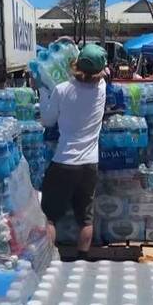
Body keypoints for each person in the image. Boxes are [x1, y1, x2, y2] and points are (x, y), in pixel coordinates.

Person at [40, 44, 108, 260]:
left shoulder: (62, 89)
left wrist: (43, 91)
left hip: (64, 161)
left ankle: (48, 258)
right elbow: (103, 74)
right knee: (85, 219)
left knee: (49, 217)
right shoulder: (102, 88)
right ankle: (82, 259)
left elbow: (47, 120)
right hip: (90, 164)